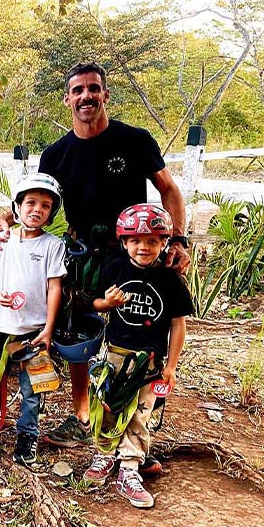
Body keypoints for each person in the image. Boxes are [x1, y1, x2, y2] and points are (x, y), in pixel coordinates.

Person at [0, 62, 191, 450]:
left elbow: (169, 190)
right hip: (80, 254)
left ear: (105, 95)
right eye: (78, 90)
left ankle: (134, 416)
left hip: (133, 254)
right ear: (68, 99)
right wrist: (3, 221)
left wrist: (177, 240)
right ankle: (81, 413)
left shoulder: (134, 140)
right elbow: (35, 199)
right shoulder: (57, 154)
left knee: (136, 328)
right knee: (78, 334)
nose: (86, 96)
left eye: (93, 89)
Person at [83, 204, 191, 508]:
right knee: (108, 406)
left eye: (153, 241)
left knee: (141, 414)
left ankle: (129, 469)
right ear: (124, 241)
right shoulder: (115, 267)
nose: (144, 247)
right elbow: (93, 303)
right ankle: (104, 454)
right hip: (114, 354)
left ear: (164, 243)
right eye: (136, 240)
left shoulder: (170, 281)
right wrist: (107, 303)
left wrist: (171, 366)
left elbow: (178, 324)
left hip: (150, 361)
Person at [0, 175, 66, 468]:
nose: (37, 209)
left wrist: (48, 328)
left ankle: (28, 436)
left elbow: (55, 287)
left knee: (33, 388)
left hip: (34, 331)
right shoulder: (3, 240)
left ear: (52, 212)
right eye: (31, 203)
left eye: (45, 205)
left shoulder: (53, 246)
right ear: (18, 205)